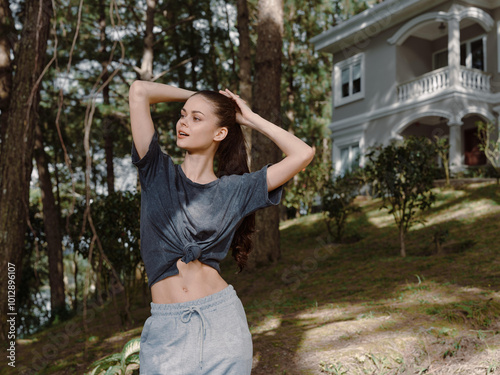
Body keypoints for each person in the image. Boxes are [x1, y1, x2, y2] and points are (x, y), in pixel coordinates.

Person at [129, 80, 314, 374]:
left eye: (196, 118)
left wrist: (248, 117)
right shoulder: (156, 172)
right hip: (166, 333)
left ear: (220, 132)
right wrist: (202, 98)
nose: (183, 123)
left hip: (222, 325)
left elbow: (302, 154)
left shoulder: (236, 190)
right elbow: (140, 90)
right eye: (183, 114)